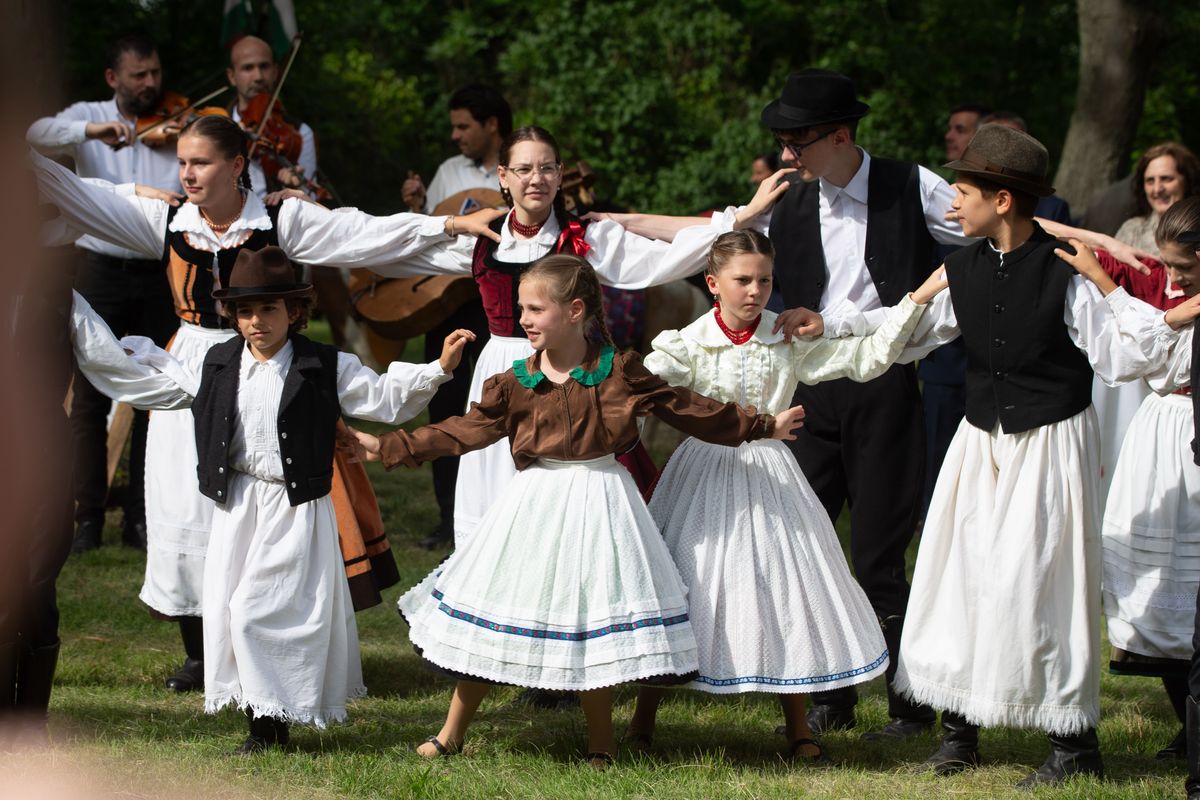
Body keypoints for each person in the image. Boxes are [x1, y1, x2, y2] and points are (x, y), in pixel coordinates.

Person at [31, 113, 502, 696]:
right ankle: (203, 655)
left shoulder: (281, 218)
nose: (187, 174)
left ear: (235, 165)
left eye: (199, 162)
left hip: (269, 368)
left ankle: (271, 644)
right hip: (193, 367)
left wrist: (451, 222)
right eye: (181, 163)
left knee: (261, 508)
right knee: (185, 507)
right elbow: (71, 192)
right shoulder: (167, 219)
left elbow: (363, 234)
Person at [841, 123, 1199, 789]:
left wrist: (1111, 287)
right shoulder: (961, 266)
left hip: (1050, 442)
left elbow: (1126, 358)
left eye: (966, 192)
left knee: (1041, 584)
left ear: (1002, 201)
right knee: (959, 577)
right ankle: (959, 729)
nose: (954, 204)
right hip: (979, 442)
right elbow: (904, 334)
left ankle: (1072, 741)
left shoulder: (1064, 272)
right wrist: (830, 325)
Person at [351, 254, 806, 764]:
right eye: (522, 308)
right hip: (535, 503)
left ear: (574, 311)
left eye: (535, 309)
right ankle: (452, 731)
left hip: (601, 502)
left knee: (592, 621)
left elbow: (687, 407)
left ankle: (602, 742)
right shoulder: (516, 381)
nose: (523, 319)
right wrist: (391, 446)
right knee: (498, 606)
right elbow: (465, 429)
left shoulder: (620, 373)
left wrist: (759, 425)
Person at [68, 246, 472, 752]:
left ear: (294, 312)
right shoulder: (216, 364)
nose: (256, 321)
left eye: (268, 309)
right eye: (244, 311)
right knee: (234, 609)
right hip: (238, 507)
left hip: (296, 508)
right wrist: (84, 324)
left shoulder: (323, 365)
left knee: (262, 612)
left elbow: (384, 398)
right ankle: (267, 724)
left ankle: (272, 722)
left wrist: (438, 367)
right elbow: (157, 377)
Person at [369, 125, 780, 550]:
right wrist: (445, 223)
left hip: (568, 374)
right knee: (492, 491)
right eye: (524, 168)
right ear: (503, 176)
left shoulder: (584, 238)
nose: (536, 178)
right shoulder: (482, 237)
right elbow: (398, 251)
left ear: (561, 174)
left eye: (547, 168)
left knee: (559, 508)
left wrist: (737, 219)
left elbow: (663, 259)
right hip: (500, 367)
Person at [625, 229, 948, 761]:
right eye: (742, 280)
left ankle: (798, 725)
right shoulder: (688, 342)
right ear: (713, 284)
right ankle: (643, 716)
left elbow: (866, 360)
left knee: (786, 587)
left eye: (765, 280)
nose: (755, 290)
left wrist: (916, 300)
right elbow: (645, 388)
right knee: (686, 585)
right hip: (703, 472)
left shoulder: (785, 336)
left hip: (772, 477)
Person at [25, 32, 181, 553]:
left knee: (154, 394)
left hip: (158, 271)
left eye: (155, 72)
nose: (151, 83)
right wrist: (93, 130)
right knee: (89, 399)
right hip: (98, 268)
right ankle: (86, 515)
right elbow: (36, 134)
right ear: (114, 79)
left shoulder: (178, 125)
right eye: (139, 75)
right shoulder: (86, 115)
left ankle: (140, 519)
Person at [1077, 198, 1200, 761]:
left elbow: (1158, 352)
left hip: (1191, 437)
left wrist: (1110, 285)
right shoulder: (1171, 299)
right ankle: (1189, 725)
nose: (1172, 278)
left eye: (1185, 269)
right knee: (1157, 581)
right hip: (1159, 437)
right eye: (1168, 266)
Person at [402, 84, 512, 549]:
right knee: (445, 406)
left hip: (496, 308)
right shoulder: (449, 171)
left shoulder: (517, 169)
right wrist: (415, 211)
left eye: (463, 125)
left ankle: (501, 514)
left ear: (491, 125)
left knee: (494, 406)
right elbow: (438, 230)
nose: (455, 135)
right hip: (447, 304)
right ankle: (449, 518)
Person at [225, 35, 317, 199]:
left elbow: (311, 200)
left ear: (275, 72)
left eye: (264, 66)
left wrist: (293, 189)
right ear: (232, 76)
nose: (258, 76)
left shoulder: (299, 132)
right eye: (248, 68)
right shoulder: (216, 128)